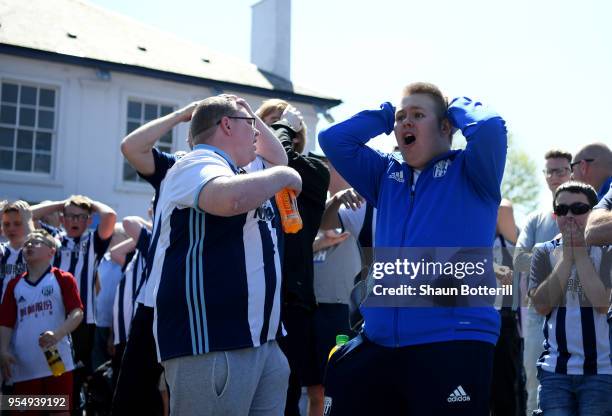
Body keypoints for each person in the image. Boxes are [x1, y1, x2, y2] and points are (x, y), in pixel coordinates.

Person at [318, 82, 507, 415]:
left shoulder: (475, 171)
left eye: (418, 115)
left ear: (447, 126)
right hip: (380, 341)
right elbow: (334, 140)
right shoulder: (386, 174)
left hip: (452, 341)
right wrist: (387, 114)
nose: (406, 122)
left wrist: (452, 104)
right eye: (401, 118)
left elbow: (490, 126)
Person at [113, 97, 287, 415]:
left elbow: (278, 158)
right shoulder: (193, 162)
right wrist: (182, 115)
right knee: (134, 401)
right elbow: (132, 147)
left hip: (256, 337)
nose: (257, 133)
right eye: (250, 124)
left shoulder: (242, 169)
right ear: (226, 126)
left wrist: (248, 113)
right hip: (203, 331)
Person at [257, 99, 330, 416]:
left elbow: (283, 162)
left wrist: (283, 126)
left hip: (292, 298)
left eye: (280, 125)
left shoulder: (313, 171)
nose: (274, 130)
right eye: (267, 125)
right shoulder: (243, 174)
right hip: (253, 298)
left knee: (293, 387)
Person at [529, 181, 611, 415]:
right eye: (562, 210)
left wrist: (580, 255)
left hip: (600, 371)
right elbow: (542, 305)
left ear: (594, 213)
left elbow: (602, 304)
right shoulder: (543, 251)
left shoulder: (606, 250)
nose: (569, 215)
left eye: (578, 208)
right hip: (555, 372)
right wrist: (566, 260)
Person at [30, 195, 116, 414]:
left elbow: (109, 216)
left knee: (74, 375)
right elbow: (29, 214)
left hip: (82, 322)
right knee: (47, 370)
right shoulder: (53, 238)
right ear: (62, 218)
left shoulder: (93, 241)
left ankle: (71, 410)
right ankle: (47, 408)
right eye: (69, 216)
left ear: (88, 221)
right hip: (51, 318)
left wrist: (87, 203)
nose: (74, 220)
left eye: (80, 217)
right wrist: (63, 203)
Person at [512, 148, 572, 415]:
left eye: (561, 170)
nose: (555, 176)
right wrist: (559, 251)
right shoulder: (535, 218)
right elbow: (518, 259)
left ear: (573, 171)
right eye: (550, 171)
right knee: (535, 388)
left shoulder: (590, 213)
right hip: (539, 314)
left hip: (584, 310)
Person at [0, 230, 84, 415]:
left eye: (36, 242)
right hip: (23, 365)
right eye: (27, 243)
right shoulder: (14, 285)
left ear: (51, 251)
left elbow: (77, 313)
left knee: (59, 412)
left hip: (56, 361)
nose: (29, 245)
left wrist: (57, 334)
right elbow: (5, 322)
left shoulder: (63, 278)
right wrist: (4, 350)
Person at [1, 201, 33, 303]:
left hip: (27, 313)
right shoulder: (2, 250)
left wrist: (28, 219)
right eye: (6, 224)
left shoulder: (35, 250)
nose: (11, 228)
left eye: (17, 223)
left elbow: (37, 246)